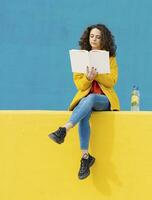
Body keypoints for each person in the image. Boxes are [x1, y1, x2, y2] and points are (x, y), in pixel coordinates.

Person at [48, 24, 120, 180]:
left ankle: (64, 129)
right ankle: (85, 157)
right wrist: (87, 78)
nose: (94, 39)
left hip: (104, 99)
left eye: (98, 37)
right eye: (92, 36)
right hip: (85, 100)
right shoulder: (81, 58)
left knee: (92, 98)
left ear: (104, 40)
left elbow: (112, 81)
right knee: (84, 113)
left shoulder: (110, 58)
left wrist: (97, 75)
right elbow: (79, 84)